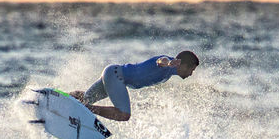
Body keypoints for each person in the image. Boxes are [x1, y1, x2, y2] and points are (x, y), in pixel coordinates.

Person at [70, 51, 199, 121]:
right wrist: (169, 62)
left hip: (113, 73)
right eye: (191, 70)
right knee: (123, 114)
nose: (191, 74)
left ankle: (65, 97)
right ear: (183, 65)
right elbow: (161, 61)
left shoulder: (171, 72)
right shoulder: (167, 62)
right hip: (116, 76)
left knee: (85, 98)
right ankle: (87, 109)